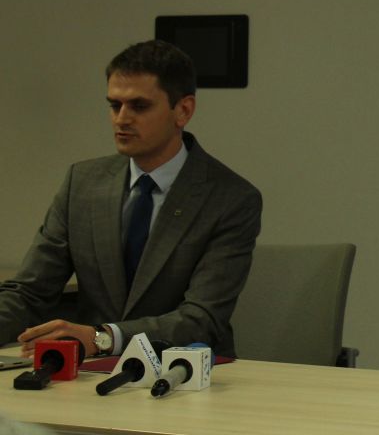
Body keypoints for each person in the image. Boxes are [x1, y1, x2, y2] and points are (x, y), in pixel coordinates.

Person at [0, 40, 262, 358]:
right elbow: (29, 292)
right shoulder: (82, 183)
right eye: (114, 105)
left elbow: (201, 319)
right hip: (87, 371)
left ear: (183, 110)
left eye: (139, 106)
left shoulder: (231, 199)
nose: (121, 119)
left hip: (184, 370)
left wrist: (103, 337)